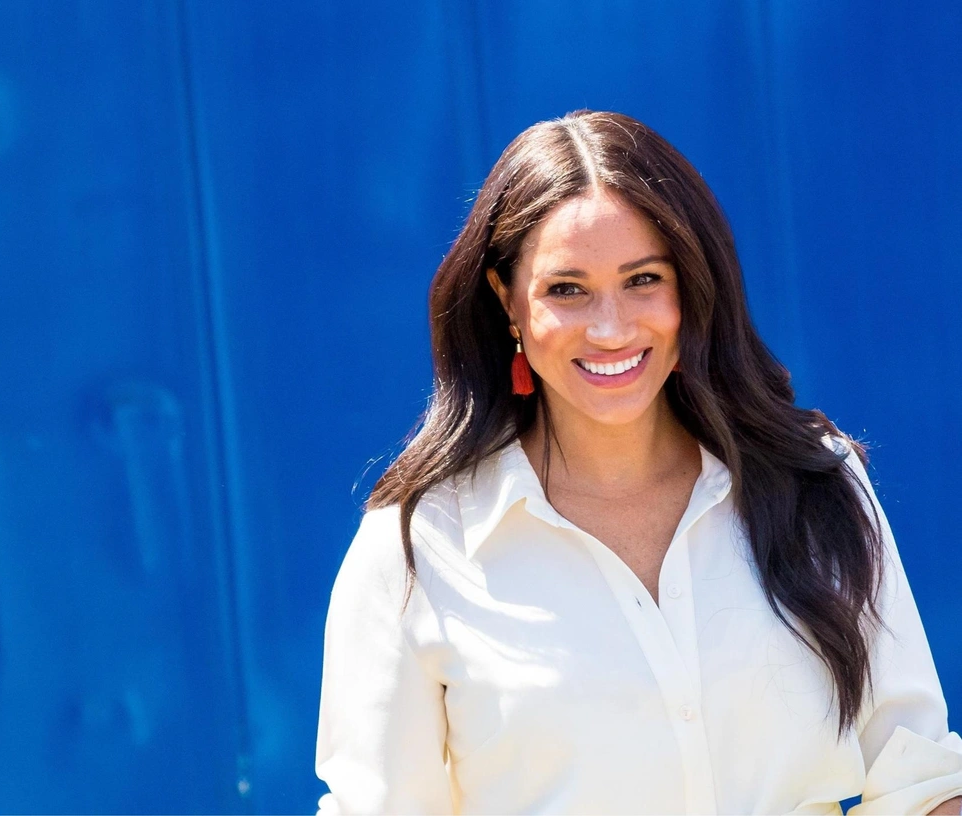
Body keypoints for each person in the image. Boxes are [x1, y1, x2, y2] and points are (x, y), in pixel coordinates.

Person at [313, 110, 962, 814]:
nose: (611, 327)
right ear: (508, 303)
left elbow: (922, 783)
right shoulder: (417, 548)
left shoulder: (816, 484)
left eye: (643, 279)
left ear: (692, 287)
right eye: (566, 289)